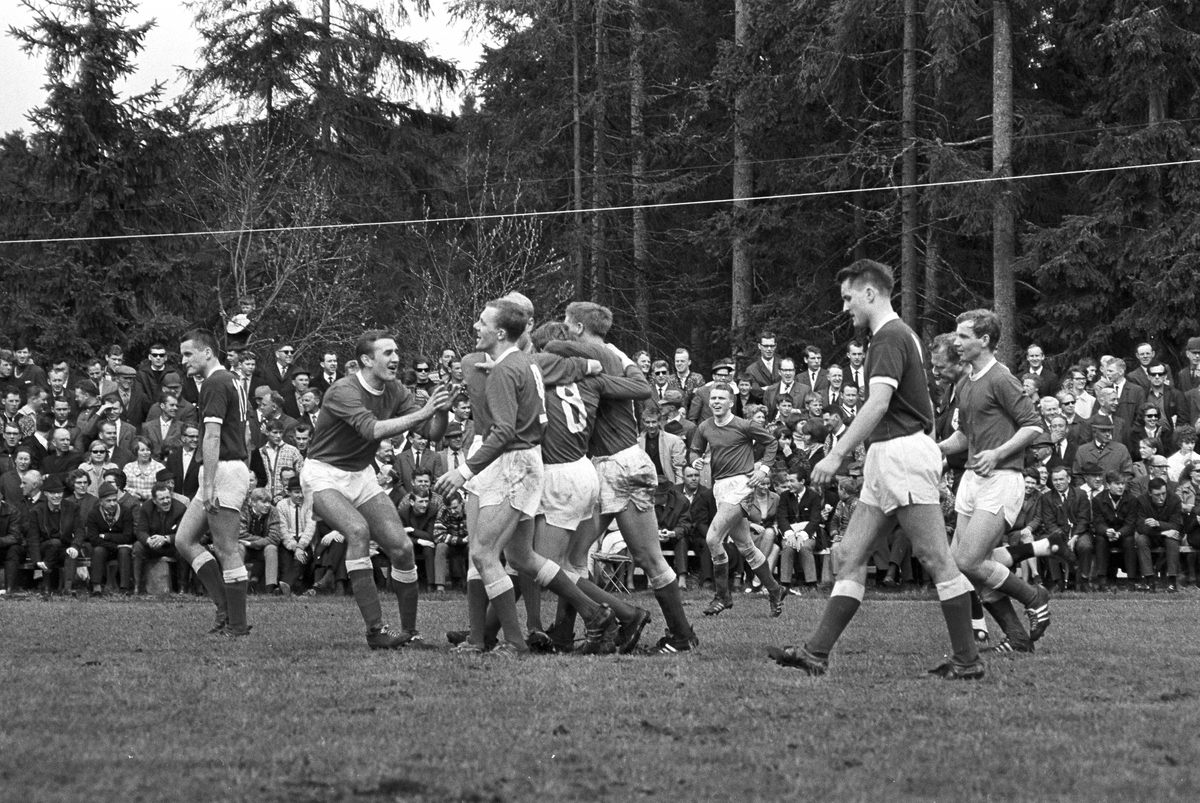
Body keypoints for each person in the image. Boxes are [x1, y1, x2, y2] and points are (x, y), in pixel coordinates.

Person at [768, 260, 982, 679]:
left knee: (936, 558)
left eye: (848, 298)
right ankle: (816, 652)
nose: (845, 307)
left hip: (901, 454)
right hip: (890, 456)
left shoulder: (888, 338)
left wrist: (835, 454)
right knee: (848, 554)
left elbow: (878, 403)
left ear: (870, 294)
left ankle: (968, 659)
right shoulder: (898, 336)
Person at [549, 301, 698, 655]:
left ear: (580, 329)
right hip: (623, 462)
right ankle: (675, 633)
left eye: (568, 325)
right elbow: (641, 386)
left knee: (590, 558)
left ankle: (664, 630)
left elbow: (555, 347)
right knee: (606, 556)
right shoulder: (618, 355)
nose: (564, 330)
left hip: (615, 465)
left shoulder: (587, 360)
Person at [302, 329, 451, 649]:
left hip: (360, 474)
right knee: (357, 531)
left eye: (396, 351)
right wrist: (425, 411)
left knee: (402, 548)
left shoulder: (395, 389)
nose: (396, 358)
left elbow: (432, 431)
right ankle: (375, 632)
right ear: (365, 360)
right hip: (323, 474)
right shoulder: (343, 390)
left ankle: (410, 634)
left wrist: (440, 406)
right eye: (387, 353)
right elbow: (371, 431)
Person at [935, 310, 1052, 654]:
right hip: (973, 478)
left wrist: (998, 453)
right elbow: (964, 434)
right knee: (962, 564)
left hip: (1001, 478)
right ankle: (1017, 638)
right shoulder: (965, 379)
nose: (956, 342)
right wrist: (934, 449)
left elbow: (1033, 426)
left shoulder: (1001, 377)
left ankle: (1034, 596)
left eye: (963, 336)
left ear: (984, 341)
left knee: (970, 561)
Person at [172, 329, 255, 638]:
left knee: (226, 548)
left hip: (222, 470)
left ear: (207, 352)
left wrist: (209, 485)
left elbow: (213, 435)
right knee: (184, 540)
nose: (183, 361)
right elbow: (246, 433)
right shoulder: (233, 379)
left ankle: (236, 624)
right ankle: (225, 609)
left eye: (188, 354)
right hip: (226, 468)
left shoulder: (215, 382)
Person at [690, 382, 786, 617]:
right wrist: (695, 461)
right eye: (713, 399)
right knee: (746, 546)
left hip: (742, 486)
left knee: (713, 538)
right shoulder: (704, 427)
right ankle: (775, 589)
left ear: (731, 402)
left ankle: (723, 596)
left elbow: (772, 442)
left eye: (721, 399)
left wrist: (763, 468)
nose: (716, 402)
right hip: (719, 488)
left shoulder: (743, 425)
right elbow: (694, 450)